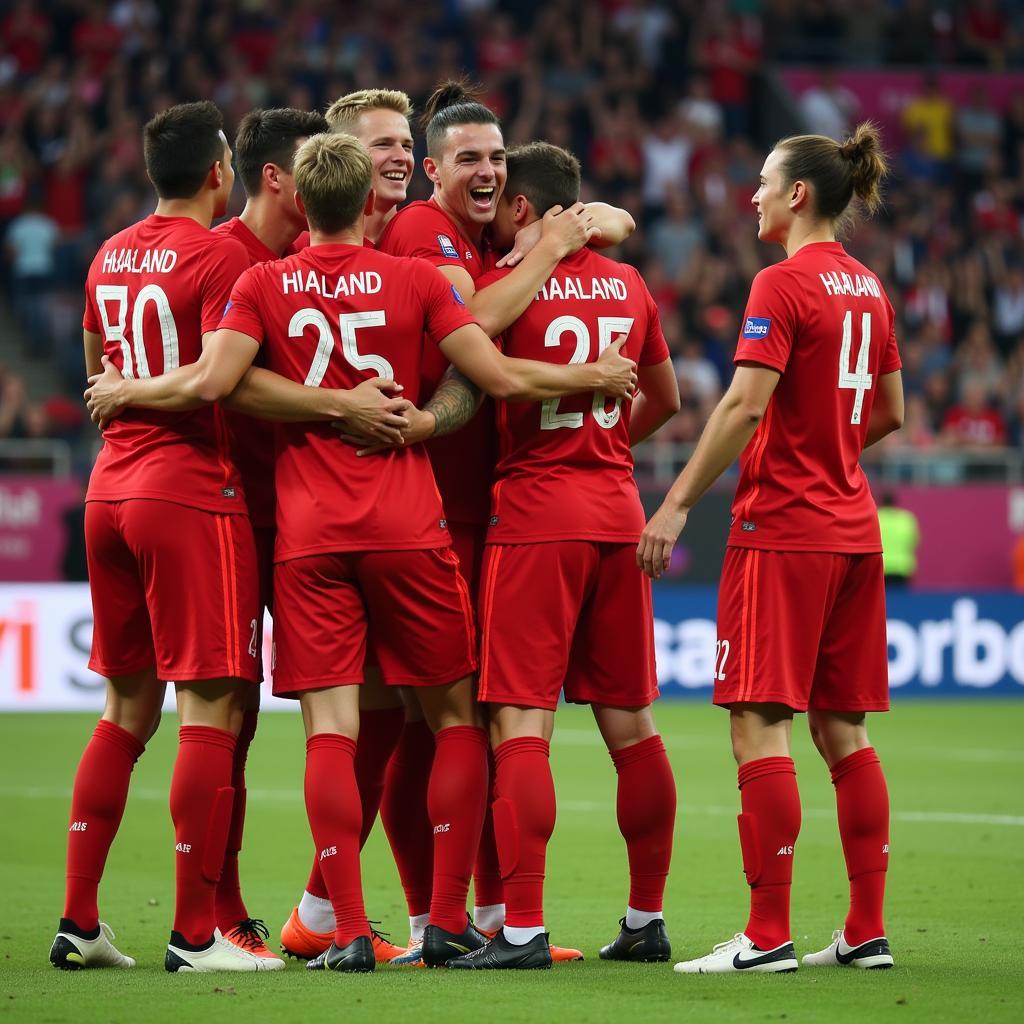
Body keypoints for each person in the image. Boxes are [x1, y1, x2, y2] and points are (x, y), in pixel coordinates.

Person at [83, 131, 638, 971]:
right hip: (411, 528)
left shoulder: (263, 282)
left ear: (302, 201)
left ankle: (344, 929)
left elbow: (219, 379)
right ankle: (447, 920)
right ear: (367, 200)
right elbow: (496, 374)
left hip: (308, 539)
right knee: (455, 720)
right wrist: (588, 377)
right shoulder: (415, 277)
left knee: (330, 736)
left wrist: (319, 404)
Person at [368, 80, 631, 965]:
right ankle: (429, 919)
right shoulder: (423, 235)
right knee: (432, 722)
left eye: (496, 159)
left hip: (489, 512)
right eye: (468, 160)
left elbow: (615, 222)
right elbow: (469, 333)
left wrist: (573, 232)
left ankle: (484, 919)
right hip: (434, 513)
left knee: (463, 724)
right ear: (434, 170)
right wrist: (552, 250)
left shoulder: (489, 238)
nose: (484, 172)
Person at [638, 122, 904, 974]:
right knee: (845, 733)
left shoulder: (782, 284)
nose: (750, 195)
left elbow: (745, 405)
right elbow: (889, 411)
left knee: (759, 725)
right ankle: (865, 931)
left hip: (782, 532)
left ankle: (765, 936)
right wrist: (828, 447)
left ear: (797, 195)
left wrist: (676, 502)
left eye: (761, 182)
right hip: (853, 530)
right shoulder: (869, 287)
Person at [434, 142, 681, 970]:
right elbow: (668, 397)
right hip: (616, 509)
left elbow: (475, 344)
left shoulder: (512, 287)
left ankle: (523, 928)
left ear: (524, 208)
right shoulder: (630, 283)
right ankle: (646, 919)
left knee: (518, 722)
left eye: (505, 196)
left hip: (536, 516)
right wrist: (607, 444)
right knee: (634, 729)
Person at [51, 101, 280, 974]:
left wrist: (124, 398)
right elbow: (220, 380)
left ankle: (78, 923)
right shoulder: (221, 252)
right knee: (213, 711)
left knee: (125, 712)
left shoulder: (110, 251)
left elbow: (94, 368)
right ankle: (194, 936)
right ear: (221, 172)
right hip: (189, 494)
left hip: (108, 489)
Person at [877, 492, 920, 588]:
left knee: (882, 600)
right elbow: (914, 542)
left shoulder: (876, 517)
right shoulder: (906, 519)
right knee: (901, 600)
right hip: (902, 568)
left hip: (880, 567)